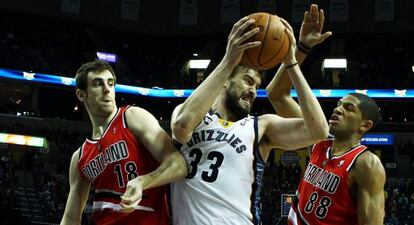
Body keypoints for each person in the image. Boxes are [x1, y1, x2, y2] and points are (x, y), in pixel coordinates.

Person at [170, 11, 329, 225]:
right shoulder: (190, 113)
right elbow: (181, 127)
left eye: (256, 85)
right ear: (225, 80)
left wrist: (293, 60)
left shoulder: (260, 126)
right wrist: (228, 61)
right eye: (247, 80)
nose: (253, 90)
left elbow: (318, 131)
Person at [266, 5, 386, 225]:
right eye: (339, 104)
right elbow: (275, 94)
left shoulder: (366, 164)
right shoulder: (319, 141)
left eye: (349, 108)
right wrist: (301, 48)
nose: (338, 109)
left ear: (365, 125)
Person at [60, 60, 187, 225]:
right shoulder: (80, 157)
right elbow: (71, 218)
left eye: (111, 83)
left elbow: (179, 164)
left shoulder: (132, 117)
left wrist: (143, 182)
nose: (107, 89)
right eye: (98, 84)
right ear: (81, 94)